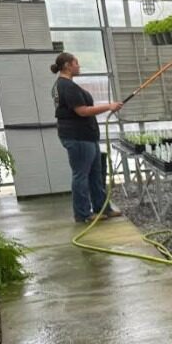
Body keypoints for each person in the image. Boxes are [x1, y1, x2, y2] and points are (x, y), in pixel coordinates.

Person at [50, 52, 124, 224]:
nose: (79, 66)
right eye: (76, 63)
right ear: (68, 65)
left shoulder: (63, 85)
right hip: (78, 137)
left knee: (95, 174)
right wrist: (109, 106)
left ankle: (101, 208)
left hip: (85, 137)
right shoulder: (66, 86)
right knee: (81, 175)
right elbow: (82, 111)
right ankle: (82, 213)